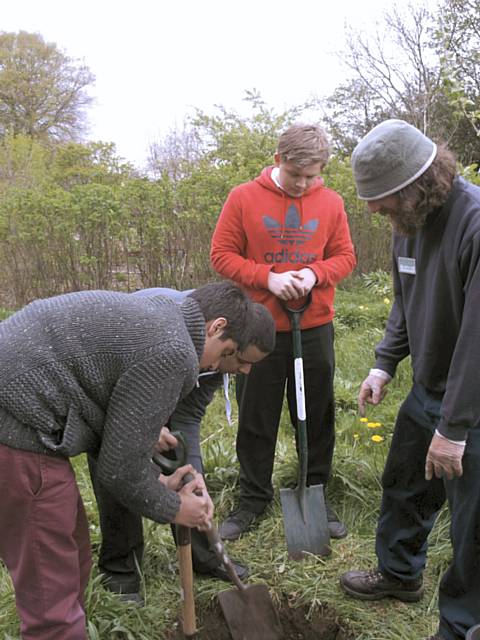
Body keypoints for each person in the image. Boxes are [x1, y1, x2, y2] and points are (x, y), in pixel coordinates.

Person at [0, 281, 254, 640]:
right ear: (216, 327)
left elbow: (104, 384)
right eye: (227, 355)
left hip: (26, 409)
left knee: (72, 555)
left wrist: (148, 445)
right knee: (50, 598)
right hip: (14, 428)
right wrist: (173, 507)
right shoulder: (176, 349)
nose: (216, 366)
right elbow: (117, 470)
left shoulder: (167, 315)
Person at [339, 119, 480, 640]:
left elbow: (477, 340)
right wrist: (384, 363)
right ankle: (398, 575)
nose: (374, 210)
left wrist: (456, 427)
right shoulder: (409, 225)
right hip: (427, 391)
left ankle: (463, 623)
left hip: (473, 404)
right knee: (404, 485)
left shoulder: (474, 224)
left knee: (473, 527)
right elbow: (405, 300)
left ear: (421, 184)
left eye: (382, 198)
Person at [210, 123, 356, 541]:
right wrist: (267, 278)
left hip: (313, 326)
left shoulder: (331, 202)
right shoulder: (243, 198)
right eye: (297, 175)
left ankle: (314, 491)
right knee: (257, 416)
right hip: (257, 329)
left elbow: (345, 256)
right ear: (279, 161)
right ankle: (253, 499)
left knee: (315, 414)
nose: (304, 184)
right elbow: (221, 254)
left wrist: (313, 273)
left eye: (313, 176)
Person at [88, 289, 276, 601]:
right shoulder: (174, 326)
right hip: (111, 381)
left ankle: (204, 556)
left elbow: (188, 415)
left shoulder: (220, 354)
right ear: (220, 330)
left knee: (188, 477)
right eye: (243, 361)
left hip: (165, 374)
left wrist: (193, 475)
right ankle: (120, 569)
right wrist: (145, 425)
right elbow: (117, 389)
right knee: (120, 463)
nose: (246, 371)